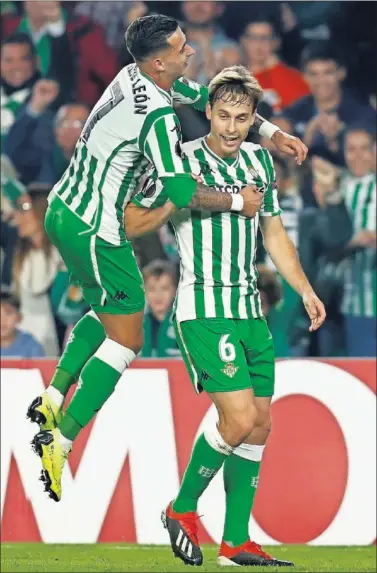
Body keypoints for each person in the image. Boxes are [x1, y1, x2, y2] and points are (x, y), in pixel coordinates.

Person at [26, 13, 307, 504]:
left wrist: (269, 132)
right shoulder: (157, 116)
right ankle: (62, 440)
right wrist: (241, 202)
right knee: (127, 338)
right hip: (97, 227)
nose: (190, 52)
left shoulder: (133, 74)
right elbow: (179, 190)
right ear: (160, 61)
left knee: (106, 309)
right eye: (182, 48)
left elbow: (201, 95)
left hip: (63, 211)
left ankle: (51, 399)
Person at [126, 65, 326, 567]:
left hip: (248, 309)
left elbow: (274, 235)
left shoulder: (260, 160)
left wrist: (303, 288)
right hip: (203, 309)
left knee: (259, 425)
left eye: (244, 117)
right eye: (224, 116)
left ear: (253, 118)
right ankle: (182, 508)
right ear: (208, 113)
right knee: (236, 417)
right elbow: (140, 212)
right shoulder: (185, 161)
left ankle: (235, 542)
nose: (233, 127)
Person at [312, 127, 376, 357]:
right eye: (351, 149)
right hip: (351, 304)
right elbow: (325, 239)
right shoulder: (335, 189)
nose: (358, 156)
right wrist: (352, 241)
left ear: (374, 151)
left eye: (364, 149)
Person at [4, 99, 90, 185]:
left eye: (78, 123)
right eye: (65, 123)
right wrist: (34, 110)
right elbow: (12, 153)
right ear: (55, 129)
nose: (70, 130)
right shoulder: (40, 157)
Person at [241, 18, 310, 113]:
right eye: (253, 38)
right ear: (244, 41)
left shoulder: (292, 75)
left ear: (276, 42)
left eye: (264, 38)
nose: (258, 44)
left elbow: (300, 108)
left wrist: (276, 70)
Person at [141, 259, 180, 358]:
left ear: (174, 291)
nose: (158, 296)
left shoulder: (184, 326)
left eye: (165, 288)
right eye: (152, 289)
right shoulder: (135, 325)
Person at [0, 290, 45, 358]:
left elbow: (41, 367)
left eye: (8, 313)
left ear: (19, 318)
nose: (2, 320)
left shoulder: (30, 345)